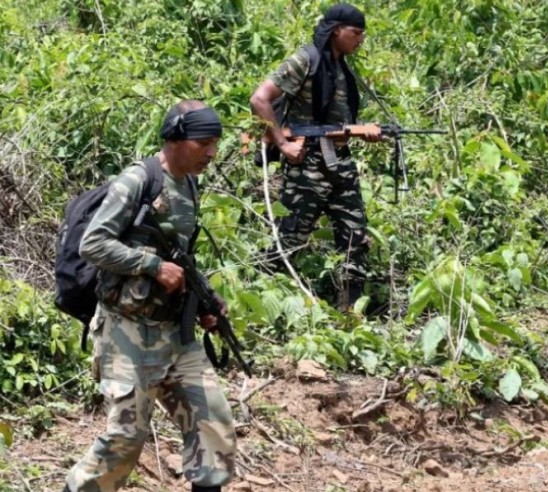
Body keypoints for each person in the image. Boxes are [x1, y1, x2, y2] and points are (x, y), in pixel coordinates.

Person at [64, 100, 236, 492]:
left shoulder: (189, 182)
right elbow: (93, 243)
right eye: (204, 143)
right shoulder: (138, 180)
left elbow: (179, 254)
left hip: (175, 333)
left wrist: (204, 300)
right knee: (125, 439)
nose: (211, 153)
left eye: (216, 144)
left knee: (213, 423)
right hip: (127, 330)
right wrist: (151, 266)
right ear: (175, 138)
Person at [250, 2, 381, 310]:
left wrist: (366, 132)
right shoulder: (305, 59)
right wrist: (282, 145)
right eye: (356, 32)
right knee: (290, 240)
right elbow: (259, 99)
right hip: (307, 163)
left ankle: (348, 315)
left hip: (340, 162)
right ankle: (261, 305)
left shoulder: (342, 67)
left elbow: (337, 123)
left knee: (356, 238)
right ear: (337, 31)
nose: (361, 39)